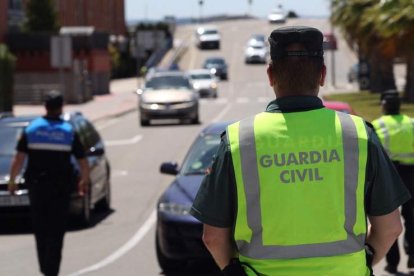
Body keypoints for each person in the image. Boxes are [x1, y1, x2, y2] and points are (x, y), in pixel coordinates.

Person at [190, 26, 410, 275]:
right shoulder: (358, 134)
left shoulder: (238, 140)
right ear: (323, 75)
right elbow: (390, 227)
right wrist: (363, 262)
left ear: (271, 75)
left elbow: (213, 238)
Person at [8, 90, 89, 276]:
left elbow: (18, 159)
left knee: (40, 229)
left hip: (38, 189)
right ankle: (52, 270)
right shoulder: (68, 131)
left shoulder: (32, 129)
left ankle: (45, 268)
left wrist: (13, 181)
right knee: (57, 231)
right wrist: (84, 181)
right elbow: (83, 161)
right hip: (60, 190)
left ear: (45, 107)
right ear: (61, 108)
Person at [372, 91, 414, 274]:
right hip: (411, 174)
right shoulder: (411, 123)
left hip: (389, 175)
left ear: (384, 105)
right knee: (412, 219)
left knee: (389, 220)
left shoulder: (377, 125)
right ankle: (413, 255)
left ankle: (392, 262)